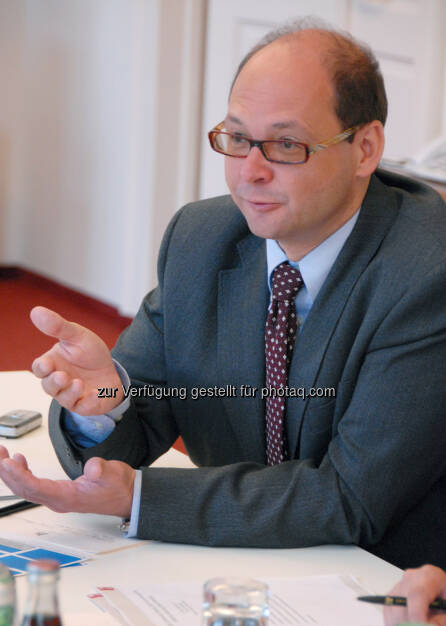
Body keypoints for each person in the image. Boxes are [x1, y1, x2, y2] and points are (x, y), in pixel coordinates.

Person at [1, 18, 446, 570]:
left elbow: (350, 496)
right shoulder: (202, 239)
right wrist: (105, 408)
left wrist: (142, 499)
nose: (248, 173)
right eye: (237, 139)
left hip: (383, 578)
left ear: (365, 149)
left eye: (286, 144)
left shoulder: (428, 271)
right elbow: (139, 425)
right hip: (241, 563)